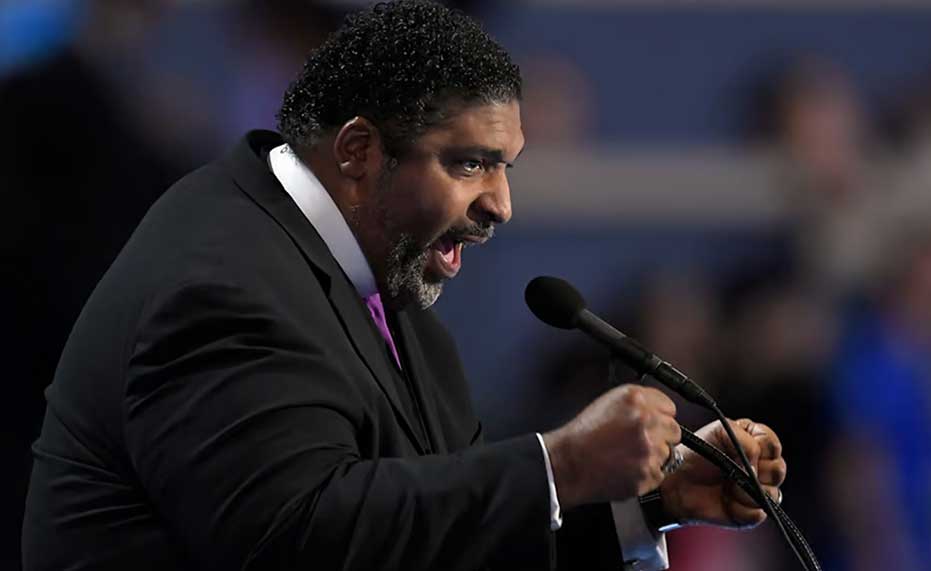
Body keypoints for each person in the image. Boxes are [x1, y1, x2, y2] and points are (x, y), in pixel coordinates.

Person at [22, 2, 787, 570]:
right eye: (469, 163)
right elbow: (291, 539)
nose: (500, 205)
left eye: (505, 167)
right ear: (358, 151)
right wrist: (560, 464)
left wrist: (650, 501)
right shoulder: (224, 281)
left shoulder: (387, 292)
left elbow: (445, 533)